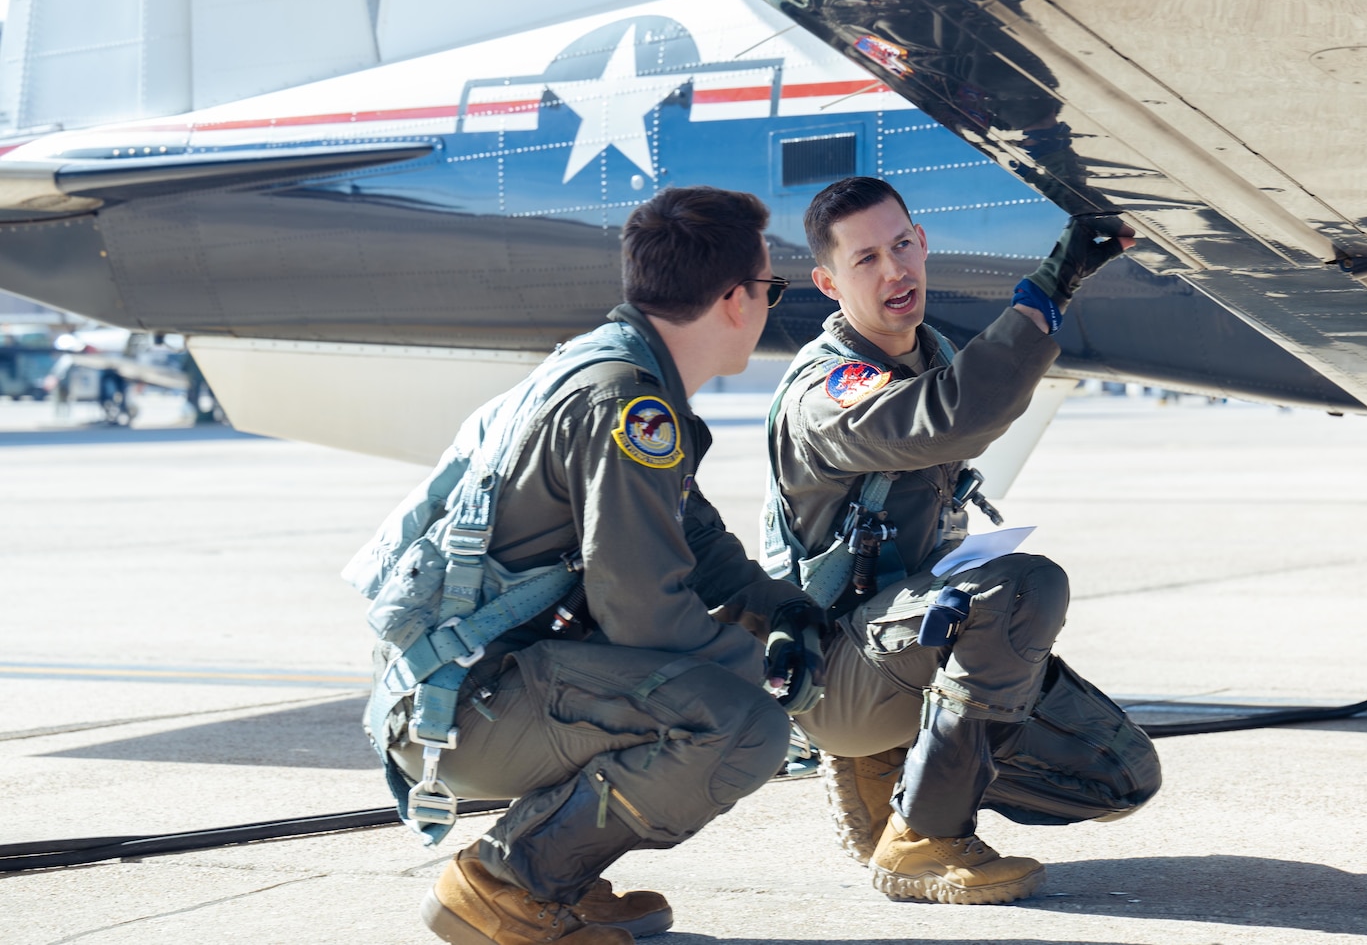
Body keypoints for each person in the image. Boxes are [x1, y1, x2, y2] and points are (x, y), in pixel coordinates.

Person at [345, 186, 819, 945]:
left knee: (702, 688)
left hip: (463, 682)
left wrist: (785, 608)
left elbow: (693, 537)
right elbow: (645, 613)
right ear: (736, 299)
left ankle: (558, 871)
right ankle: (509, 884)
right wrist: (774, 678)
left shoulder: (611, 368)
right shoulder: (625, 405)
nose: (769, 302)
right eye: (771, 286)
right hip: (465, 704)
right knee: (740, 726)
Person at [763, 176, 1162, 906]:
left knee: (1118, 773)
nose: (894, 270)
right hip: (838, 670)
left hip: (906, 641)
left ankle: (898, 768)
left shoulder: (931, 352)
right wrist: (1050, 288)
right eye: (865, 259)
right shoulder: (828, 392)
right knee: (1022, 587)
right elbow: (952, 414)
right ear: (828, 283)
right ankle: (924, 837)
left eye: (901, 245)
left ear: (922, 243)